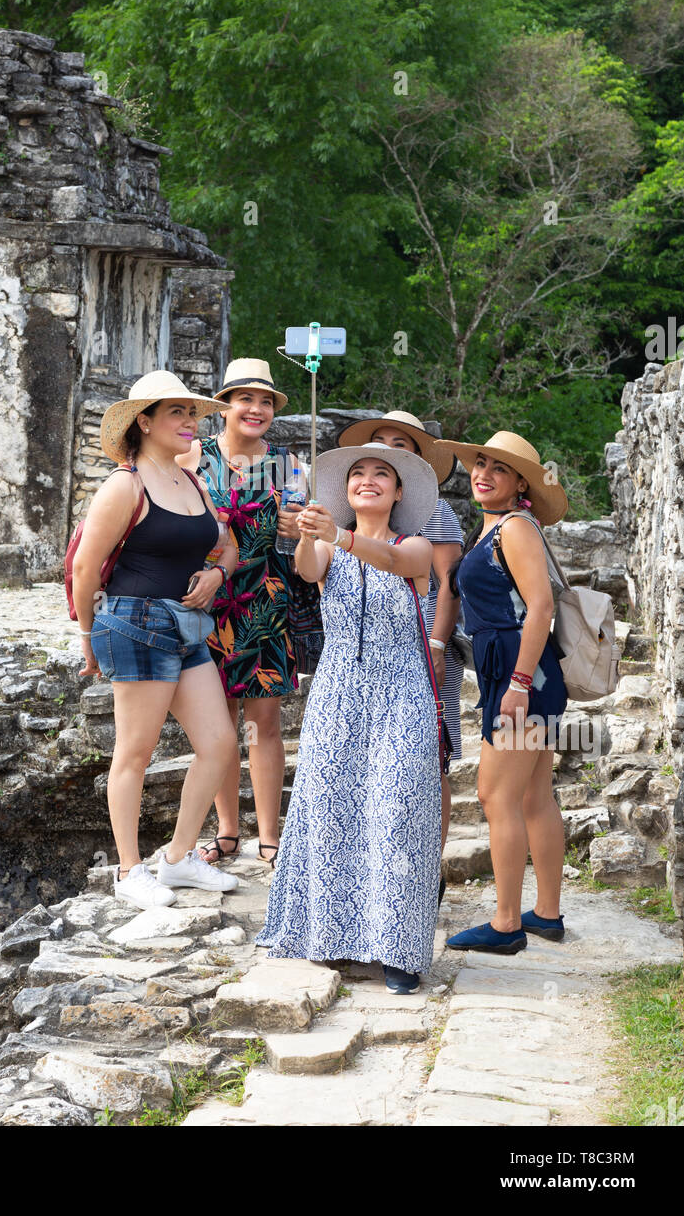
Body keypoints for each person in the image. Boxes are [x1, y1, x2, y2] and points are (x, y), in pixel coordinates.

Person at [257, 443, 442, 994]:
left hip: (401, 691)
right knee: (333, 807)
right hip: (338, 691)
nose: (368, 480)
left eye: (381, 474)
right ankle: (334, 937)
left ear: (399, 491)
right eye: (358, 473)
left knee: (399, 811)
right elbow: (307, 567)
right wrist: (313, 531)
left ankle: (399, 950)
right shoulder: (329, 548)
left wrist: (338, 534)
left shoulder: (416, 545)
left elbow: (396, 564)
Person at [72, 370, 243, 910]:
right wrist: (86, 634)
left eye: (192, 414)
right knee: (136, 752)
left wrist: (217, 575)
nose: (190, 423)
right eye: (177, 413)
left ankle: (176, 859)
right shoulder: (127, 485)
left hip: (188, 625)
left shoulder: (191, 481)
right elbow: (84, 568)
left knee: (218, 745)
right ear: (143, 422)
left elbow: (227, 545)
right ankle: (127, 871)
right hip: (133, 622)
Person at [437, 431, 569, 955]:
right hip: (522, 674)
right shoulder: (494, 527)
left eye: (498, 468)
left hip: (523, 676)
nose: (482, 473)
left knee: (496, 796)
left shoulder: (514, 527)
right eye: (480, 463)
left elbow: (540, 607)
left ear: (520, 485)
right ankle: (548, 914)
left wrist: (517, 682)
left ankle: (507, 922)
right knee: (535, 795)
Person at [176, 359, 303, 870]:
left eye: (266, 401)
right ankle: (227, 833)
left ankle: (269, 836)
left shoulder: (287, 464)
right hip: (205, 600)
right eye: (245, 398)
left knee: (265, 723)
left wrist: (300, 528)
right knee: (217, 724)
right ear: (224, 405)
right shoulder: (192, 456)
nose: (256, 408)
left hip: (265, 602)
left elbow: (299, 536)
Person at [338, 412, 462, 898]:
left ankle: (428, 866)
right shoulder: (354, 518)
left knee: (430, 759)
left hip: (424, 644)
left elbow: (448, 586)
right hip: (367, 654)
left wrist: (435, 642)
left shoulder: (437, 516)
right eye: (380, 442)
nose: (390, 448)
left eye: (400, 444)